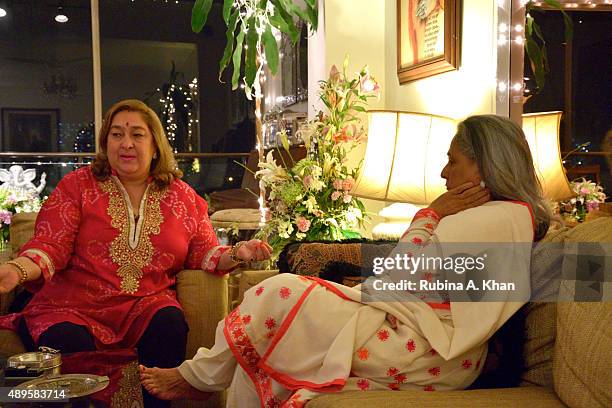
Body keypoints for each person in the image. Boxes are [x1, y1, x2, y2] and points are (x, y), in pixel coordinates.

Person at [140, 114, 551, 406]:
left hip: (429, 353)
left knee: (279, 292)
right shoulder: (503, 217)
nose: (444, 173)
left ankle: (199, 378)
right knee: (274, 339)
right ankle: (202, 378)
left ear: (483, 166)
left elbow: (397, 276)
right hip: (416, 336)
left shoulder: (494, 219)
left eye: (453, 161)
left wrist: (431, 214)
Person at [0, 99, 272, 407]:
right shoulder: (77, 187)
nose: (126, 144)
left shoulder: (185, 199)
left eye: (137, 135)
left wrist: (238, 252)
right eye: (116, 135)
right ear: (105, 143)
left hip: (144, 303)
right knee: (67, 338)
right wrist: (17, 270)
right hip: (75, 304)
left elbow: (204, 254)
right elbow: (52, 243)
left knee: (168, 322)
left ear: (156, 144)